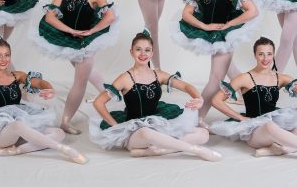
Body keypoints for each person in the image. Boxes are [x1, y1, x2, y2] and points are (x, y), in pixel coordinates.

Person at [0, 35, 88, 164]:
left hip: (21, 129)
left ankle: (16, 151)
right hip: (0, 135)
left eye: (7, 55)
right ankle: (66, 150)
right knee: (18, 125)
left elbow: (39, 83)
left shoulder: (16, 76)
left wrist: (49, 88)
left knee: (58, 133)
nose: (3, 59)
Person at [210, 37, 297, 166]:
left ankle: (283, 149)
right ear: (255, 55)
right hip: (255, 131)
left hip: (276, 124)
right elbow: (216, 100)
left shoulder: (280, 78)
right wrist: (239, 117)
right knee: (269, 126)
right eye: (261, 54)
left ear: (273, 55)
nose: (265, 58)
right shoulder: (244, 78)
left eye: (269, 54)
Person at [89, 33, 222, 161]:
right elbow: (99, 102)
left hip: (158, 124)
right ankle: (196, 150)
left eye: (147, 50)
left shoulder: (158, 75)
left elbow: (187, 87)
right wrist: (115, 126)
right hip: (135, 132)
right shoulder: (125, 78)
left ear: (152, 53)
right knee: (146, 132)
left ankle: (156, 150)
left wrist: (199, 99)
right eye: (138, 49)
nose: (143, 54)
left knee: (203, 134)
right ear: (131, 52)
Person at [30, 0, 118, 134]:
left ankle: (65, 121)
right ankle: (110, 93)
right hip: (68, 38)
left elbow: (110, 16)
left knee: (80, 81)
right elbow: (49, 17)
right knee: (86, 71)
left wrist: (92, 32)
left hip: (86, 41)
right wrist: (70, 30)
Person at [171, 0, 259, 125]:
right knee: (230, 69)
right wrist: (205, 26)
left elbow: (253, 10)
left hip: (226, 36)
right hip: (209, 31)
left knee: (215, 79)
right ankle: (253, 99)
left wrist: (228, 25)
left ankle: (197, 117)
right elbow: (186, 13)